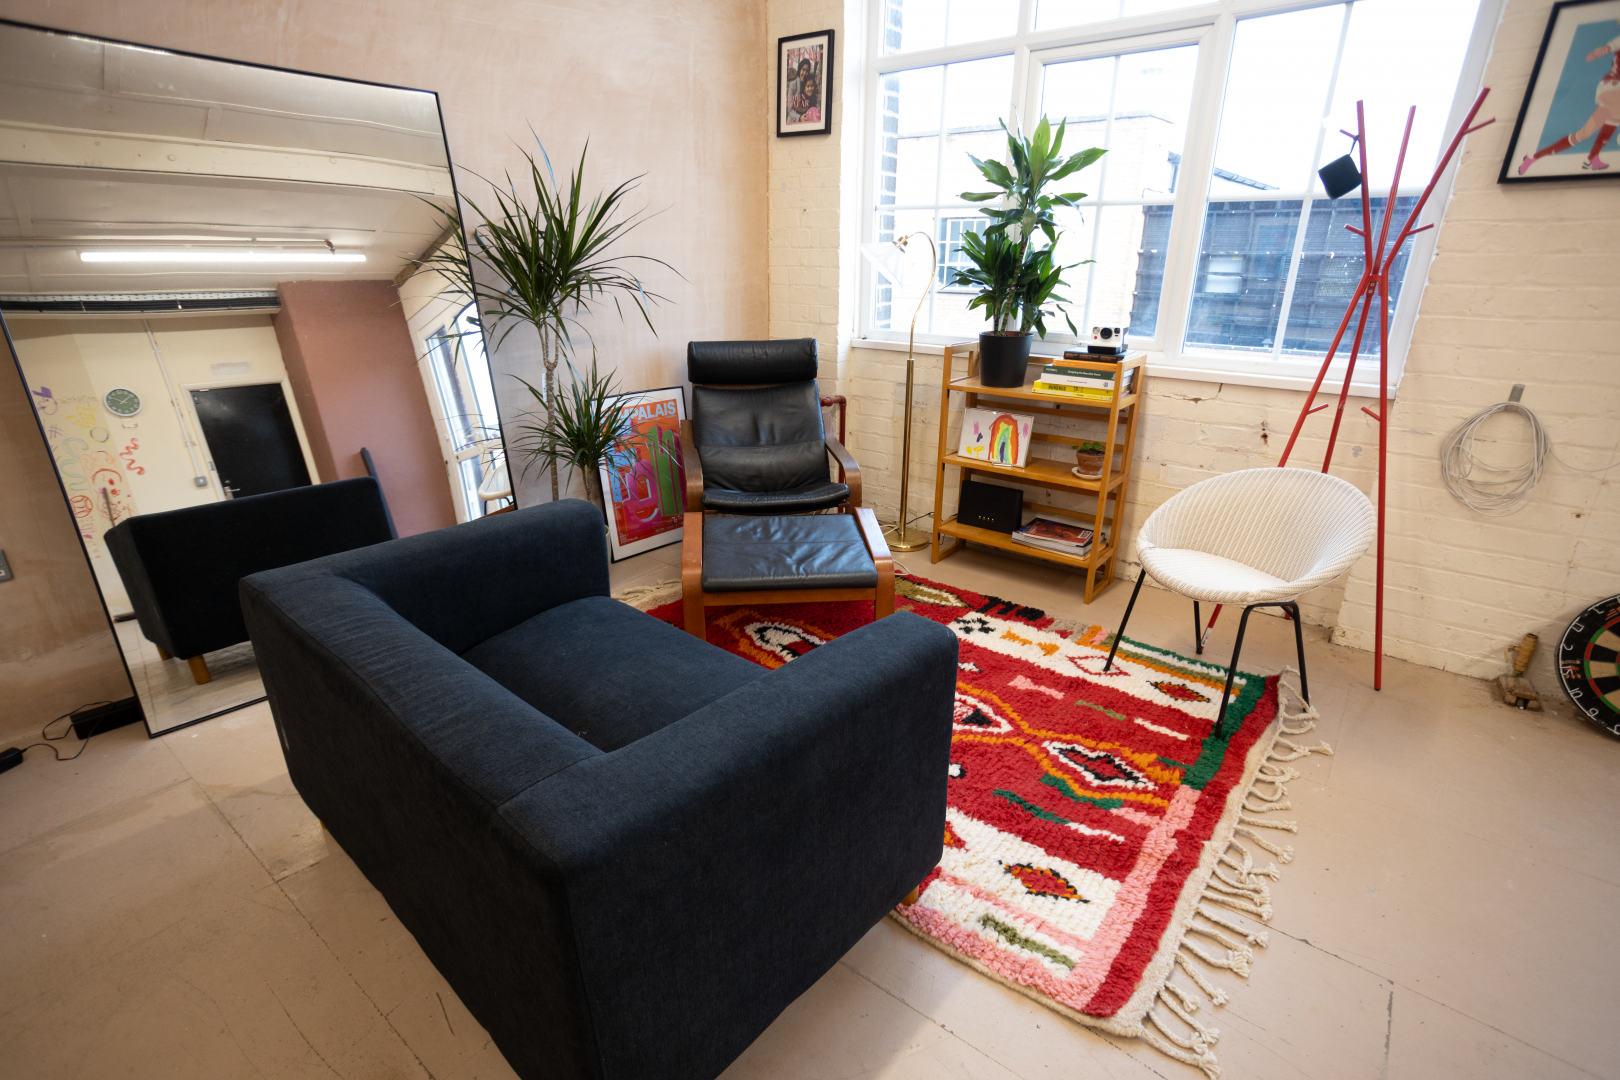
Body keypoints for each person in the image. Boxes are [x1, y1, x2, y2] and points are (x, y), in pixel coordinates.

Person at [1520, 25, 1620, 174]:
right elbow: (1612, 46)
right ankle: (1592, 158)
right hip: (1614, 88)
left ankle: (1534, 158)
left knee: (1584, 133)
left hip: (1614, 93)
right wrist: (1601, 51)